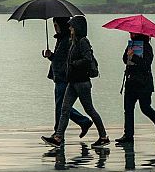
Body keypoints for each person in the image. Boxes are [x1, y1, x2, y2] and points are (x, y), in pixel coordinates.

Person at [42, 15, 109, 148]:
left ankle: (103, 136)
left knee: (90, 109)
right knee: (65, 109)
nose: (70, 28)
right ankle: (58, 137)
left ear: (77, 28)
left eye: (72, 26)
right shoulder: (73, 41)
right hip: (72, 81)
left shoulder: (83, 41)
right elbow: (64, 59)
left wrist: (73, 63)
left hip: (82, 82)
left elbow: (87, 58)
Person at [41, 17, 93, 139]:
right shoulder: (61, 39)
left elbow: (66, 60)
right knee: (62, 106)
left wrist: (53, 57)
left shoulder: (67, 40)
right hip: (58, 76)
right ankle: (82, 122)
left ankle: (59, 133)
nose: (55, 28)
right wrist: (50, 56)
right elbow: (58, 58)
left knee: (62, 106)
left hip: (64, 76)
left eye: (56, 25)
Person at [115, 33, 155, 144]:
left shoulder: (147, 47)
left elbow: (146, 64)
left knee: (145, 108)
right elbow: (125, 60)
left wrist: (133, 56)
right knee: (128, 109)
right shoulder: (132, 45)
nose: (130, 34)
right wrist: (128, 55)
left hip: (144, 83)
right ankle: (128, 135)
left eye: (132, 33)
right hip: (131, 82)